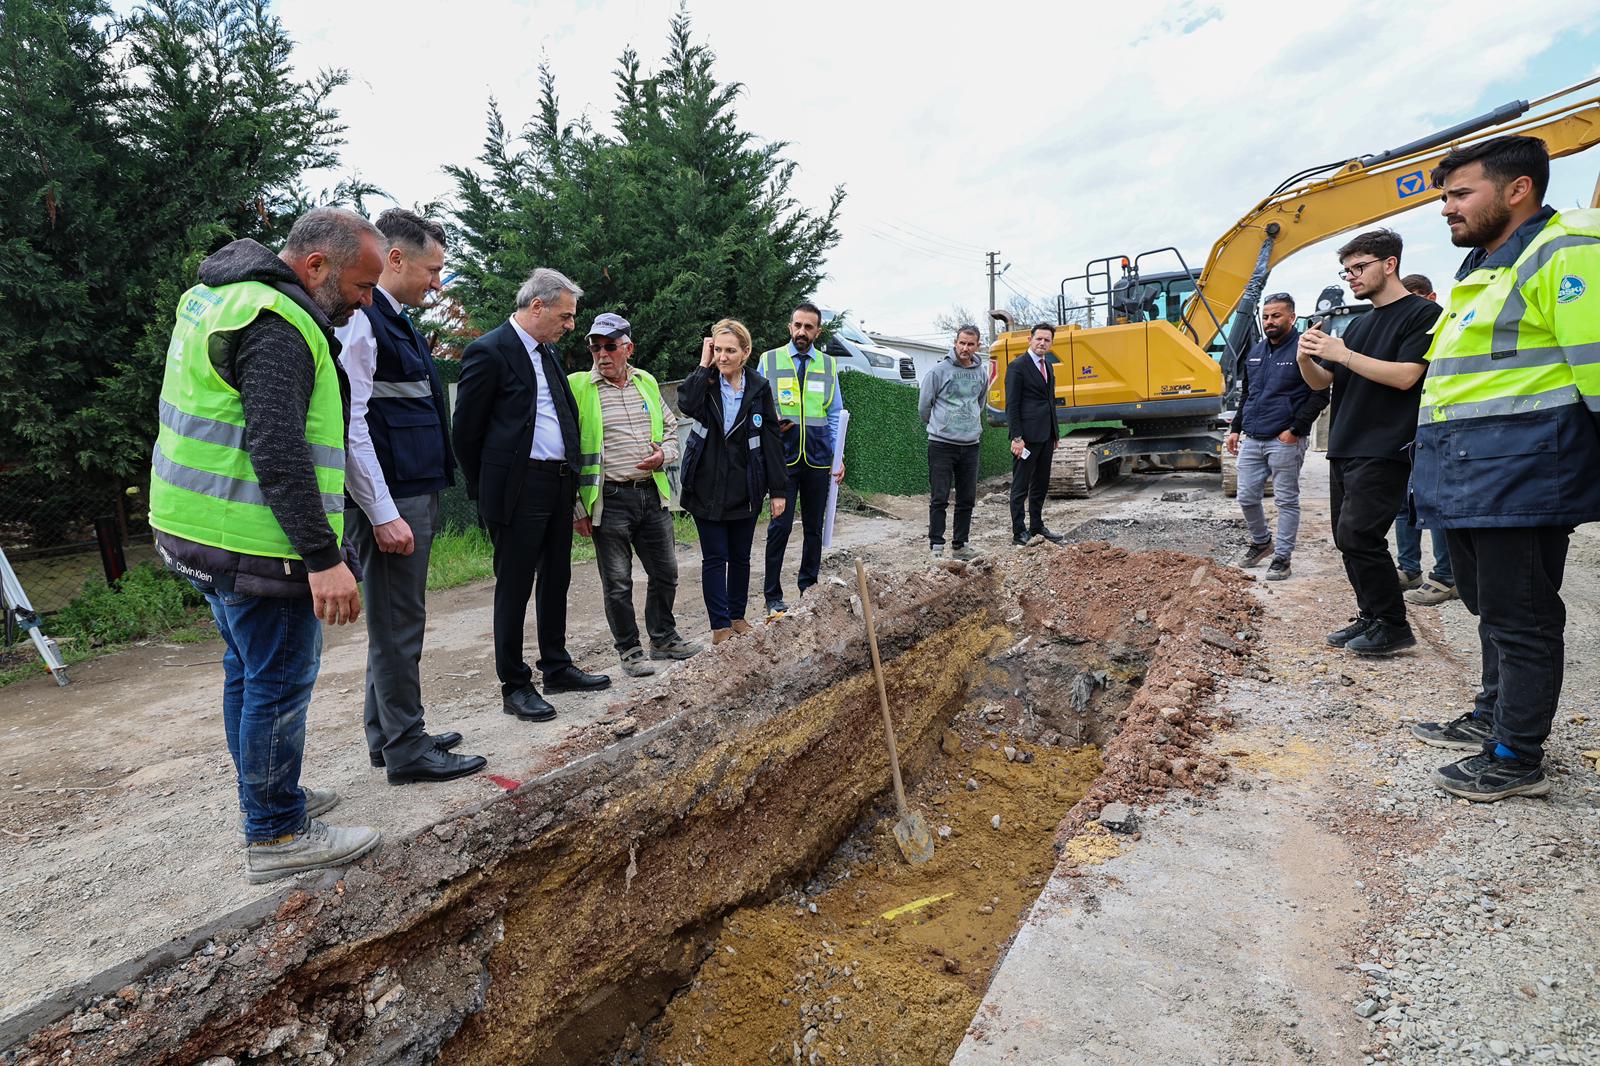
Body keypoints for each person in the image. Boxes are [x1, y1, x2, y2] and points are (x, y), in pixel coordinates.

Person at [148, 207, 382, 883]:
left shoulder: (217, 296)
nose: (366, 301)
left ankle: (267, 798)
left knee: (247, 674)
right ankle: (277, 833)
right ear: (315, 266)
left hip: (197, 527)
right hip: (256, 542)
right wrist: (322, 557)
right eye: (361, 286)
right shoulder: (279, 324)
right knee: (278, 685)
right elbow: (278, 451)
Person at [1408, 135, 1600, 802]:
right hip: (1470, 475)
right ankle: (1493, 717)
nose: (1446, 208)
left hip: (1521, 476)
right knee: (1490, 610)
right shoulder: (1485, 268)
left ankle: (1517, 757)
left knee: (1522, 620)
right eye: (1445, 195)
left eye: (1460, 194)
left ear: (1517, 190)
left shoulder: (1564, 251)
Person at [334, 209, 485, 785]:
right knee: (400, 626)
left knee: (394, 622)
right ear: (394, 259)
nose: (438, 284)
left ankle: (389, 735)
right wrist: (382, 512)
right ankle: (406, 747)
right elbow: (350, 424)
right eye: (432, 270)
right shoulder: (363, 321)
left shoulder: (393, 319)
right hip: (390, 501)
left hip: (407, 492)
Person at [453, 268, 611, 724]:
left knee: (556, 577)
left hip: (557, 484)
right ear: (536, 306)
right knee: (515, 586)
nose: (570, 325)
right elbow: (466, 433)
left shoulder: (549, 355)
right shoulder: (490, 351)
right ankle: (514, 684)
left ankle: (556, 667)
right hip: (516, 490)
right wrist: (486, 490)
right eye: (565, 316)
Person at [1298, 229, 1442, 656]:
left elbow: (1406, 376)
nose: (1352, 277)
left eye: (1359, 268)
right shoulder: (1359, 325)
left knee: (1361, 535)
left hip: (1386, 444)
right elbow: (1324, 383)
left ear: (1389, 263)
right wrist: (1307, 358)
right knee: (1347, 538)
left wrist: (1342, 353)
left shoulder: (1422, 315)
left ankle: (1394, 625)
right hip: (1346, 442)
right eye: (1347, 271)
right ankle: (1372, 616)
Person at [569, 312, 699, 677]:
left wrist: (664, 456)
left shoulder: (646, 382)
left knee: (666, 573)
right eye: (596, 347)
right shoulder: (579, 387)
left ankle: (663, 638)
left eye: (610, 347)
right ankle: (629, 650)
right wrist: (576, 507)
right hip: (608, 501)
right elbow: (567, 451)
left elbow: (671, 430)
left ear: (629, 348)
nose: (602, 354)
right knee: (617, 582)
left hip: (650, 495)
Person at [679, 319, 789, 643]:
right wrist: (703, 364)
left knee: (741, 557)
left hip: (746, 486)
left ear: (745, 352)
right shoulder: (706, 381)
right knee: (715, 558)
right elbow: (685, 404)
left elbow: (771, 438)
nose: (723, 357)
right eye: (718, 350)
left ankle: (737, 616)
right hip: (706, 486)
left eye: (730, 350)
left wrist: (778, 490)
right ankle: (720, 627)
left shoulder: (759, 387)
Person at [1225, 293, 1328, 581]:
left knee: (1286, 501)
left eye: (1276, 316)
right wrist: (1235, 428)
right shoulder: (1256, 351)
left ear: (1292, 317)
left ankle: (1282, 557)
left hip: (1283, 439)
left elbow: (1320, 394)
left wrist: (1294, 430)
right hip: (1253, 438)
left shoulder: (1304, 350)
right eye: (1266, 316)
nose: (1270, 321)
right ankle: (1261, 542)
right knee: (1246, 497)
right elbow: (1248, 394)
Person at [760, 302, 844, 619]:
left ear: (817, 332)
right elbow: (758, 408)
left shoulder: (828, 365)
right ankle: (773, 596)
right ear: (789, 327)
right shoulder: (769, 361)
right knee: (779, 527)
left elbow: (835, 415)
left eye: (809, 327)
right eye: (797, 325)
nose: (802, 332)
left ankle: (809, 588)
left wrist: (838, 457)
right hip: (782, 459)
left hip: (819, 459)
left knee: (813, 527)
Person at [1391, 273, 1458, 605]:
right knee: (1405, 504)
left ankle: (1446, 576)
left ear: (1431, 298)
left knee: (1433, 503)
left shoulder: (1447, 333)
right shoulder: (1408, 336)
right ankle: (1408, 568)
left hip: (1437, 428)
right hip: (1408, 432)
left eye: (1415, 297)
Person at [919, 324, 988, 560]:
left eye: (970, 344)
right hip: (941, 444)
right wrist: (941, 427)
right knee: (939, 497)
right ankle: (936, 546)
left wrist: (968, 427)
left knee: (967, 498)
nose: (965, 348)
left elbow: (979, 402)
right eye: (961, 343)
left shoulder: (981, 372)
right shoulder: (938, 371)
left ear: (977, 345)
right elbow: (924, 406)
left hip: (971, 445)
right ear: (955, 343)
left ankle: (960, 545)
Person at [1005, 322, 1065, 545]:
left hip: (1046, 435)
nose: (1042, 343)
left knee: (1041, 484)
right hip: (1027, 438)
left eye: (1047, 340)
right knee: (1021, 486)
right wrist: (1017, 437)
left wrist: (1055, 433)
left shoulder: (1047, 366)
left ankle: (1037, 527)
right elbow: (1012, 405)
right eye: (1038, 338)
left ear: (1051, 343)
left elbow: (1050, 402)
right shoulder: (1017, 367)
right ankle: (1019, 533)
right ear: (1029, 340)